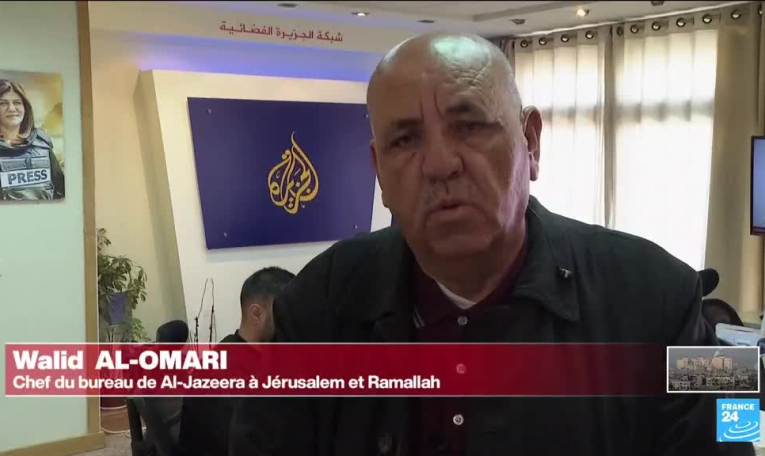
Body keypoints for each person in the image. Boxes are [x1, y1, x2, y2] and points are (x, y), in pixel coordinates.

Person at [229, 33, 752, 456]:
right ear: (379, 172)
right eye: (405, 140)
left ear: (531, 143)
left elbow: (734, 435)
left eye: (470, 126)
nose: (440, 164)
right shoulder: (315, 306)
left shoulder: (665, 296)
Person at [179, 266, 294, 456]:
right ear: (257, 314)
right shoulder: (224, 375)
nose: (292, 320)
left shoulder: (240, 352)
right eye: (287, 312)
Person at [0, 79, 65, 201]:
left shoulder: (42, 142)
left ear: (25, 107)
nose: (12, 108)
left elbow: (61, 190)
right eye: (3, 103)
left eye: (17, 102)